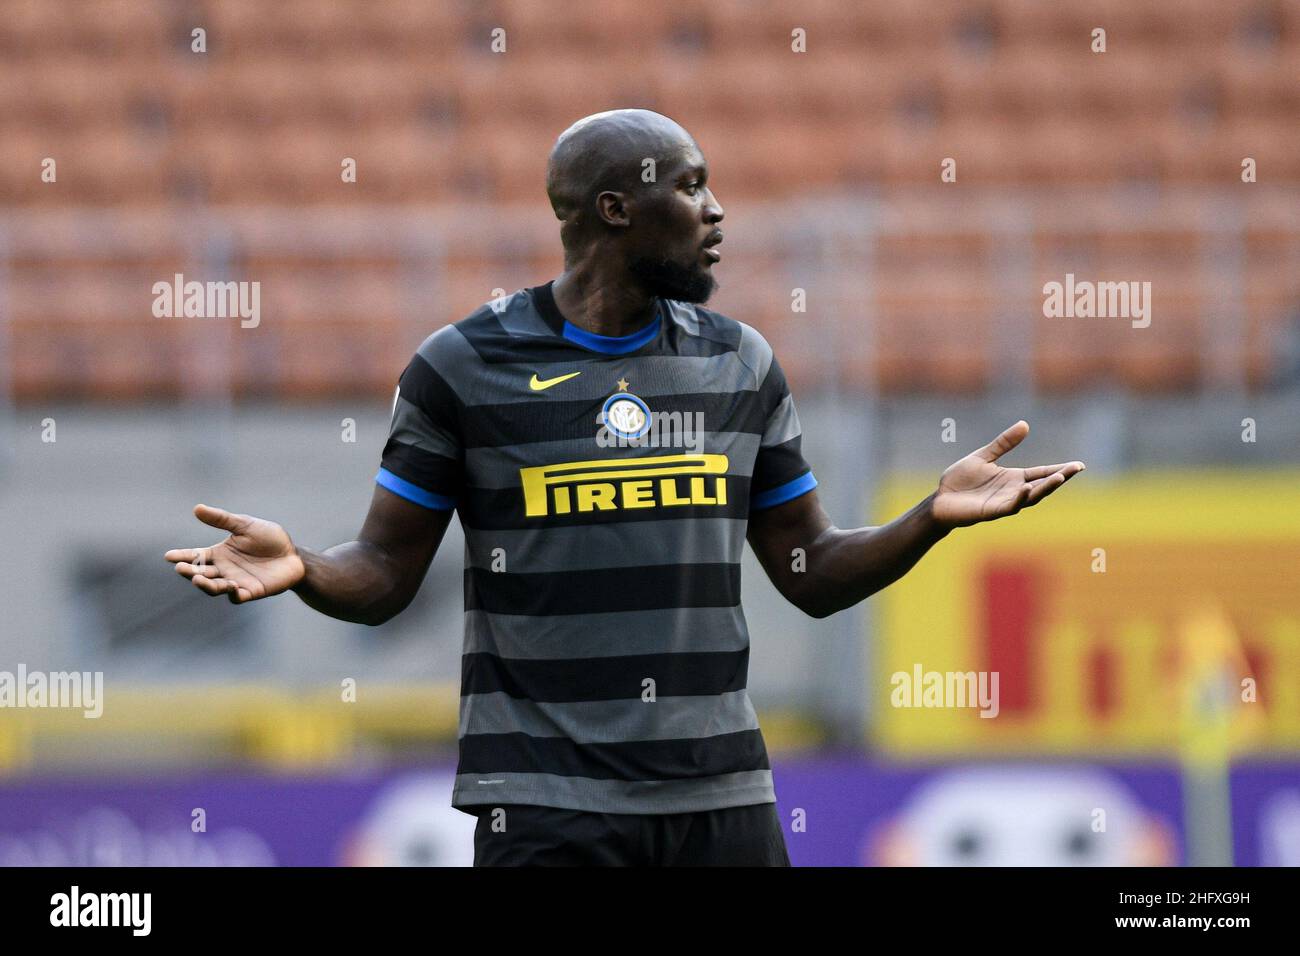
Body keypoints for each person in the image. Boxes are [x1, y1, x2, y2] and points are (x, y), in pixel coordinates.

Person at [166, 108, 1085, 866]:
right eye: (690, 187)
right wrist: (305, 568)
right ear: (613, 209)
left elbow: (809, 573)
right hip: (541, 803)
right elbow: (383, 571)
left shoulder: (738, 360)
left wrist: (930, 519)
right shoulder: (464, 367)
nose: (716, 210)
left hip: (721, 797)